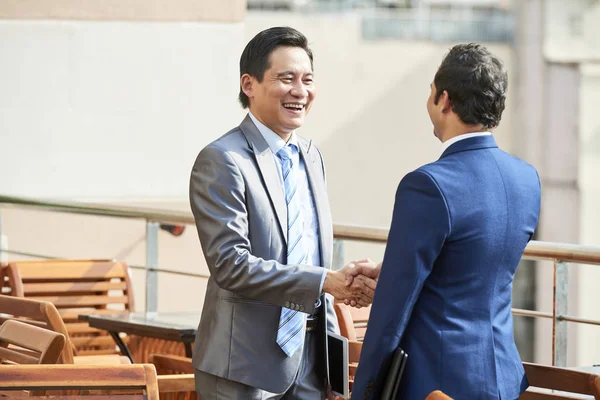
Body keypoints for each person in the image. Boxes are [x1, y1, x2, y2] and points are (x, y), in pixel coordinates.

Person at [189, 26, 377, 399]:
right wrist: (326, 280)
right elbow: (230, 264)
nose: (300, 91)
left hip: (310, 363)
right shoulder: (223, 160)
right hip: (241, 365)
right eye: (286, 78)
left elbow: (311, 252)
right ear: (249, 84)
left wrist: (332, 368)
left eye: (307, 80)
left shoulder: (311, 155)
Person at [349, 43, 541, 399]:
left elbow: (393, 310)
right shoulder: (527, 179)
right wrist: (391, 270)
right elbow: (473, 264)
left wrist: (365, 391)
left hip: (436, 385)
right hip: (502, 379)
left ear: (445, 100)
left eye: (431, 92)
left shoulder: (427, 185)